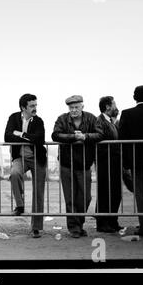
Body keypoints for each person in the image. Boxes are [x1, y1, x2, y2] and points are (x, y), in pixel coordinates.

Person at [51, 95, 102, 238]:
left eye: (76, 107)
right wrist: (73, 136)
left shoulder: (91, 118)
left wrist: (85, 136)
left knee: (86, 197)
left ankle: (79, 223)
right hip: (67, 164)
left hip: (84, 164)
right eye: (71, 107)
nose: (73, 110)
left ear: (82, 107)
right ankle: (74, 228)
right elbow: (55, 135)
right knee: (70, 198)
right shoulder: (62, 119)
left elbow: (100, 134)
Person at [4, 94, 47, 238]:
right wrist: (29, 137)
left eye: (36, 105)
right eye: (32, 106)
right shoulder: (14, 118)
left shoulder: (39, 121)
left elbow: (39, 139)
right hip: (20, 157)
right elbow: (7, 136)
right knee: (14, 174)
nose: (35, 108)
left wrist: (20, 134)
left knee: (38, 191)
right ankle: (20, 205)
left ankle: (36, 227)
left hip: (37, 158)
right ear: (23, 107)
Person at [119, 85, 143, 236]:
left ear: (134, 97)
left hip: (137, 161)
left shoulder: (127, 114)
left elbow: (122, 139)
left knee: (141, 194)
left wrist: (127, 163)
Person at [95, 96, 123, 233]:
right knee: (105, 192)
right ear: (107, 107)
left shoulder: (111, 122)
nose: (116, 107)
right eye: (114, 104)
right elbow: (100, 141)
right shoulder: (100, 121)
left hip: (114, 161)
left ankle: (112, 221)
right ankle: (103, 223)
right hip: (106, 162)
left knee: (115, 192)